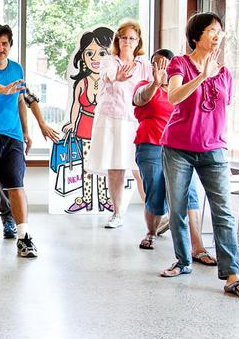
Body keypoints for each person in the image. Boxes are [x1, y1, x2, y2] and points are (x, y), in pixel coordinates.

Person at [159, 12, 239, 298]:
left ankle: (232, 275)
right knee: (178, 208)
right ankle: (184, 260)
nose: (217, 35)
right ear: (196, 36)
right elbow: (174, 98)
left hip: (214, 149)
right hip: (178, 147)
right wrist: (201, 76)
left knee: (222, 210)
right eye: (212, 30)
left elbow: (223, 109)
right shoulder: (179, 64)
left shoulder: (225, 73)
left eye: (220, 31)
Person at [0, 23, 53, 257]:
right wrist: (2, 89)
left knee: (16, 185)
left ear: (10, 45)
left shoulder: (17, 69)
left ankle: (24, 237)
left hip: (12, 136)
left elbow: (21, 100)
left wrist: (27, 131)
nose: (0, 47)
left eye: (4, 43)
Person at [133, 49, 215, 264]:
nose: (159, 67)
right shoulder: (143, 86)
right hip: (151, 145)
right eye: (155, 63)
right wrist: (155, 84)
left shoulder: (182, 89)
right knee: (156, 193)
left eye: (164, 64)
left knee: (191, 194)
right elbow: (140, 99)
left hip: (181, 147)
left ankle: (198, 247)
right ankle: (151, 232)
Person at [86, 20, 153, 229]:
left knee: (140, 167)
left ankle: (154, 214)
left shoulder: (144, 65)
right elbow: (106, 76)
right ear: (118, 40)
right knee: (116, 168)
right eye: (124, 37)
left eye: (132, 38)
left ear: (138, 41)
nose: (128, 41)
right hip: (112, 118)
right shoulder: (109, 61)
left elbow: (153, 88)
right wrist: (118, 77)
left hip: (135, 119)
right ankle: (117, 213)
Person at [62, 27, 114, 212]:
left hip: (104, 128)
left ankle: (104, 198)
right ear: (82, 57)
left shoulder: (111, 80)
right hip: (85, 127)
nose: (95, 58)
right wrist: (71, 123)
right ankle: (86, 198)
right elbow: (76, 105)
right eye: (89, 53)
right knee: (87, 166)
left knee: (103, 164)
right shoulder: (81, 83)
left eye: (101, 53)